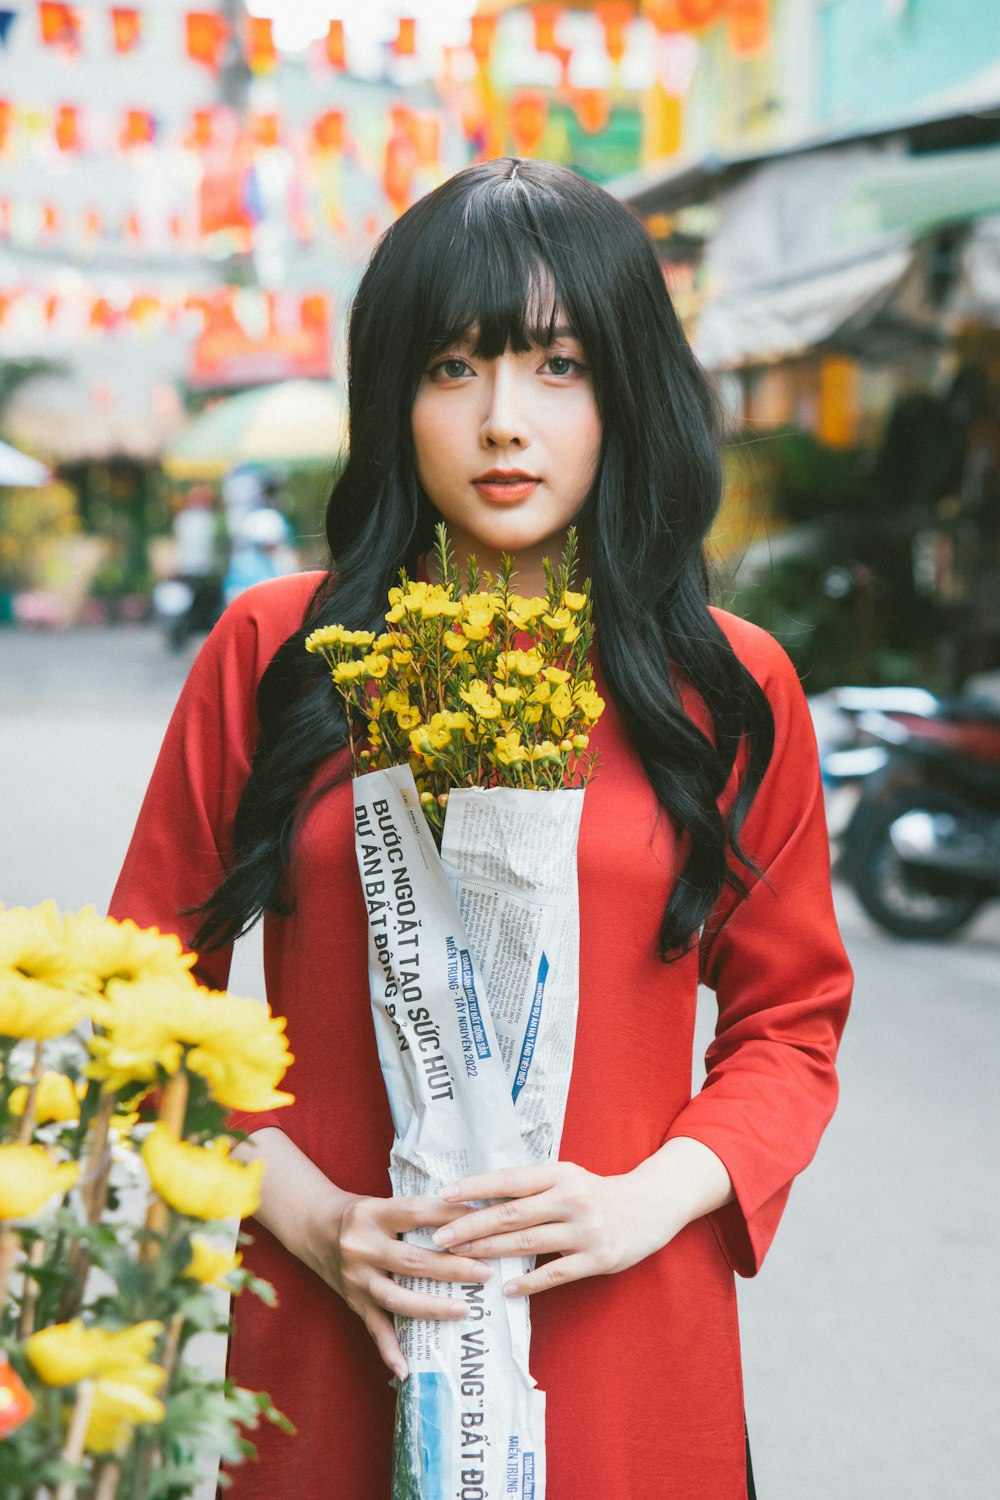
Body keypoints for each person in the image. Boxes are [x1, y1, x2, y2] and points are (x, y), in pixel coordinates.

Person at [110, 158, 852, 1500]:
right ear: (391, 398)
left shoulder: (729, 690)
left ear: (629, 389)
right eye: (454, 368)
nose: (505, 420)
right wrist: (312, 1215)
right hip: (343, 1323)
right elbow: (142, 996)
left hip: (625, 1336)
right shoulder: (281, 654)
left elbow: (790, 1024)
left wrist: (650, 1194)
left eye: (558, 366)